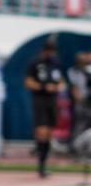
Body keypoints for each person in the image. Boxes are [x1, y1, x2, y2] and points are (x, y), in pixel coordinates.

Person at [25, 39, 66, 177]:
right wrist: (43, 87)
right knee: (41, 131)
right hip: (40, 100)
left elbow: (61, 81)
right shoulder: (35, 63)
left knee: (49, 133)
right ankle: (40, 163)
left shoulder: (56, 64)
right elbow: (28, 82)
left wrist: (59, 87)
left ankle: (44, 164)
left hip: (52, 101)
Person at [68, 52, 91, 143]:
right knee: (79, 124)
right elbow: (75, 87)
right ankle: (75, 145)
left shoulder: (88, 70)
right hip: (82, 102)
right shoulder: (74, 71)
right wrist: (79, 99)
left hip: (88, 101)